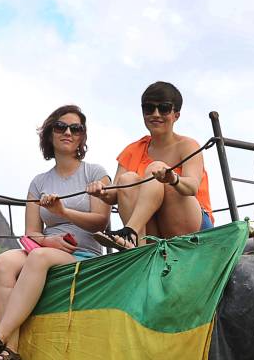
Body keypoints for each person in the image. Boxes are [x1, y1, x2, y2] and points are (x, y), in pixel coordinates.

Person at [0, 105, 112, 360]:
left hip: (82, 252)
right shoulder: (39, 182)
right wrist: (49, 242)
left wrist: (63, 213)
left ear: (82, 137)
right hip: (49, 248)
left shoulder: (94, 173)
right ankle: (11, 350)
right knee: (2, 262)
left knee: (38, 257)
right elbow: (32, 232)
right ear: (49, 134)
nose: (67, 132)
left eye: (75, 128)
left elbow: (100, 222)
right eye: (60, 127)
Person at [90, 81, 212, 250]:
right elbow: (115, 193)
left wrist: (172, 179)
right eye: (149, 108)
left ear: (176, 115)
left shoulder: (188, 146)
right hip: (152, 230)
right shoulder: (132, 150)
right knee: (127, 178)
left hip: (191, 225)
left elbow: (192, 187)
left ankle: (130, 232)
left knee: (156, 169)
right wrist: (101, 191)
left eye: (164, 108)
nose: (156, 114)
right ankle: (138, 245)